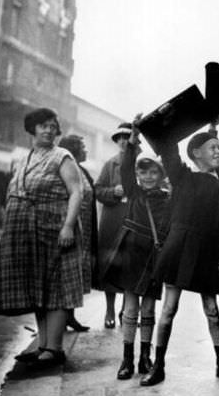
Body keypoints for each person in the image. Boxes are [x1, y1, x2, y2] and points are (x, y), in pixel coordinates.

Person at [140, 127, 219, 386]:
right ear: (196, 154)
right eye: (213, 148)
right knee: (169, 309)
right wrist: (174, 119)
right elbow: (169, 147)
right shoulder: (182, 176)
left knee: (211, 311)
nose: (218, 151)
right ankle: (158, 366)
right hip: (179, 249)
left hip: (208, 252)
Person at [0, 108, 83, 368]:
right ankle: (43, 345)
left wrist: (68, 227)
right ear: (32, 129)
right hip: (27, 232)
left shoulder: (62, 156)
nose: (49, 130)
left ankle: (54, 349)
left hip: (54, 229)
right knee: (37, 287)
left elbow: (76, 192)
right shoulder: (25, 157)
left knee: (56, 288)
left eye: (53, 126)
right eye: (43, 125)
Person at [102, 122, 171, 380]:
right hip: (132, 253)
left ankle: (145, 357)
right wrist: (133, 142)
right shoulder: (134, 193)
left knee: (149, 311)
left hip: (154, 257)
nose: (148, 177)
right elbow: (127, 169)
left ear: (162, 174)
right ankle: (127, 359)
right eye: (144, 173)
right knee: (130, 309)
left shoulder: (168, 200)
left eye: (153, 172)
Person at [95, 122, 132, 328]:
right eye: (120, 138)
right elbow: (98, 190)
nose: (123, 141)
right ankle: (109, 309)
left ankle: (126, 310)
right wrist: (113, 193)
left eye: (127, 137)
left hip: (134, 222)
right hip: (112, 222)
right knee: (111, 266)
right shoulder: (110, 164)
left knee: (131, 267)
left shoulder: (142, 163)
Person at [58, 135, 97, 333]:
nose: (86, 150)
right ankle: (62, 318)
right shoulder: (67, 169)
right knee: (67, 273)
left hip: (85, 231)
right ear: (72, 149)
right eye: (83, 146)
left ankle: (70, 316)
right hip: (72, 227)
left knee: (76, 274)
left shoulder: (81, 170)